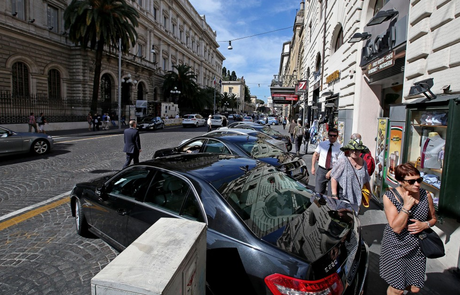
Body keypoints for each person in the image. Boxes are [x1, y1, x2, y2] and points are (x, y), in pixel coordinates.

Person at [379, 163, 437, 295]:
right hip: (396, 247)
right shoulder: (390, 197)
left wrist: (425, 225)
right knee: (397, 289)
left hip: (417, 247)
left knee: (415, 288)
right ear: (400, 181)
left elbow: (433, 218)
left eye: (419, 180)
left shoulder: (425, 195)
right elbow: (396, 228)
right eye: (411, 181)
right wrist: (406, 206)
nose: (417, 184)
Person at [330, 138, 371, 214]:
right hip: (343, 197)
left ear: (361, 151)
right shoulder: (343, 161)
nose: (354, 152)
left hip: (357, 199)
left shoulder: (363, 163)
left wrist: (369, 192)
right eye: (352, 150)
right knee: (341, 219)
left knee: (352, 220)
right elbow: (334, 178)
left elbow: (366, 179)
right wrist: (334, 195)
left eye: (357, 150)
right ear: (348, 149)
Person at [311, 128, 342, 195]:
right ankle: (320, 204)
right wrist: (313, 167)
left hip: (333, 171)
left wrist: (330, 172)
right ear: (328, 135)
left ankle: (331, 204)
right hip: (322, 170)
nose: (332, 137)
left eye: (334, 136)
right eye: (331, 135)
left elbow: (340, 163)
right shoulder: (322, 144)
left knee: (332, 194)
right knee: (318, 192)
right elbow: (315, 155)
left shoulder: (340, 148)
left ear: (337, 136)